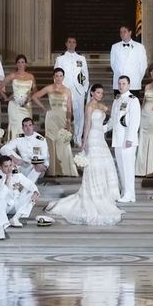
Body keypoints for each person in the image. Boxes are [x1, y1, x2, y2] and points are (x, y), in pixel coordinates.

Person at [46, 84, 124, 225]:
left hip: (101, 138)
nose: (100, 95)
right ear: (92, 93)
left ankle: (105, 193)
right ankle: (94, 193)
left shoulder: (101, 106)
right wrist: (84, 142)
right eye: (98, 92)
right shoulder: (89, 107)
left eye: (102, 93)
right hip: (93, 138)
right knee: (94, 166)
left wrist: (118, 101)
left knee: (105, 164)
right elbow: (87, 125)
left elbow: (114, 112)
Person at [32, 67, 78, 177]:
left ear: (63, 77)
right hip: (51, 118)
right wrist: (44, 107)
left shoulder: (67, 90)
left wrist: (68, 122)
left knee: (63, 142)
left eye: (61, 76)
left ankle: (65, 170)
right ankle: (52, 171)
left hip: (62, 118)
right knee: (51, 142)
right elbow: (34, 96)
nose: (58, 78)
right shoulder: (49, 88)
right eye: (56, 76)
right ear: (53, 77)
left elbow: (69, 109)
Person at [105, 75, 141, 202]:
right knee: (121, 168)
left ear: (129, 85)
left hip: (127, 140)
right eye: (119, 83)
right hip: (118, 139)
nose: (121, 86)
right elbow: (112, 120)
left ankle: (130, 194)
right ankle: (126, 192)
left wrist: (130, 138)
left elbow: (135, 121)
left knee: (128, 168)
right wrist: (101, 129)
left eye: (124, 83)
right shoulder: (117, 100)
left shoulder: (133, 100)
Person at [0, 155, 40, 240]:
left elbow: (28, 184)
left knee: (32, 194)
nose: (9, 168)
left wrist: (35, 192)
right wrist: (7, 179)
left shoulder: (16, 172)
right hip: (3, 206)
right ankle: (1, 229)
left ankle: (15, 218)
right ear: (0, 167)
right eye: (6, 166)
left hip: (15, 204)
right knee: (0, 201)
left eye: (10, 165)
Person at [54, 36, 90, 147]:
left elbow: (85, 75)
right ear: (66, 43)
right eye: (69, 42)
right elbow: (56, 75)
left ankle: (77, 137)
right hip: (65, 90)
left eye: (73, 42)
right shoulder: (60, 59)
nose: (71, 44)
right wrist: (59, 90)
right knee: (64, 114)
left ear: (76, 44)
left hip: (78, 91)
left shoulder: (81, 59)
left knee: (79, 115)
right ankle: (65, 137)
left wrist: (84, 90)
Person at [0, 117, 49, 183]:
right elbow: (3, 149)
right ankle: (20, 182)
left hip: (38, 166)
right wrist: (14, 159)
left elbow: (43, 156)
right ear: (22, 128)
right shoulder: (19, 138)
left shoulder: (40, 139)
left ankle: (26, 185)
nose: (28, 128)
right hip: (23, 165)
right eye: (25, 126)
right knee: (9, 153)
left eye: (30, 125)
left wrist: (36, 163)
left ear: (33, 126)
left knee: (37, 163)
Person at [0, 54, 37, 140]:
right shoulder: (12, 75)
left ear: (25, 64)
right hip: (14, 106)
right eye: (19, 62)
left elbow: (35, 91)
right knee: (16, 125)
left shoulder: (31, 76)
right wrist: (6, 98)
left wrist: (29, 99)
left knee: (27, 125)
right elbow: (0, 87)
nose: (21, 64)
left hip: (26, 105)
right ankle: (14, 147)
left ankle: (25, 148)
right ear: (16, 64)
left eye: (22, 62)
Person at [110, 24, 147, 97]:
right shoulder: (114, 47)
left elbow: (143, 66)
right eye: (121, 32)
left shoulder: (139, 47)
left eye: (124, 32)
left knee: (133, 105)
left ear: (130, 32)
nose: (122, 34)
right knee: (119, 106)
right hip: (119, 83)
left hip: (134, 83)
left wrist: (137, 79)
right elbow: (113, 64)